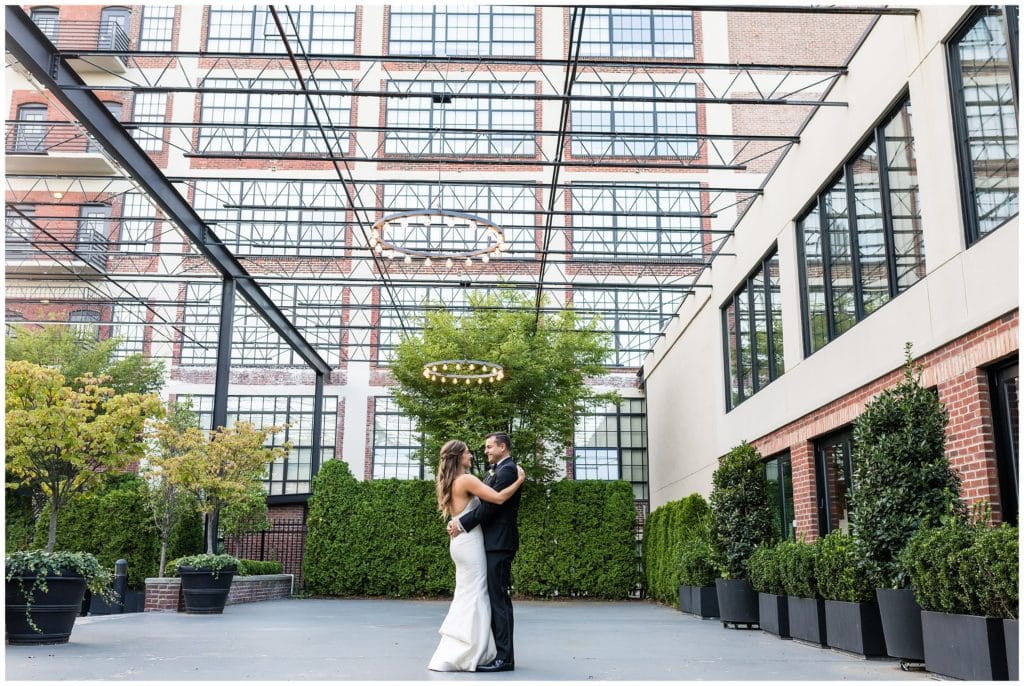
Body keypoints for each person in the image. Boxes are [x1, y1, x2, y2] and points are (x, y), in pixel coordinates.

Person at [428, 439, 525, 672]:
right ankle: (475, 649)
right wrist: (521, 480)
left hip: (461, 543)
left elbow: (482, 507)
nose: (473, 455)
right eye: (468, 453)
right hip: (470, 544)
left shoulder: (450, 481)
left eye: (487, 447)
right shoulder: (467, 479)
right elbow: (499, 499)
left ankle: (468, 648)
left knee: (467, 594)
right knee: (477, 594)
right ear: (459, 456)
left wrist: (459, 523)